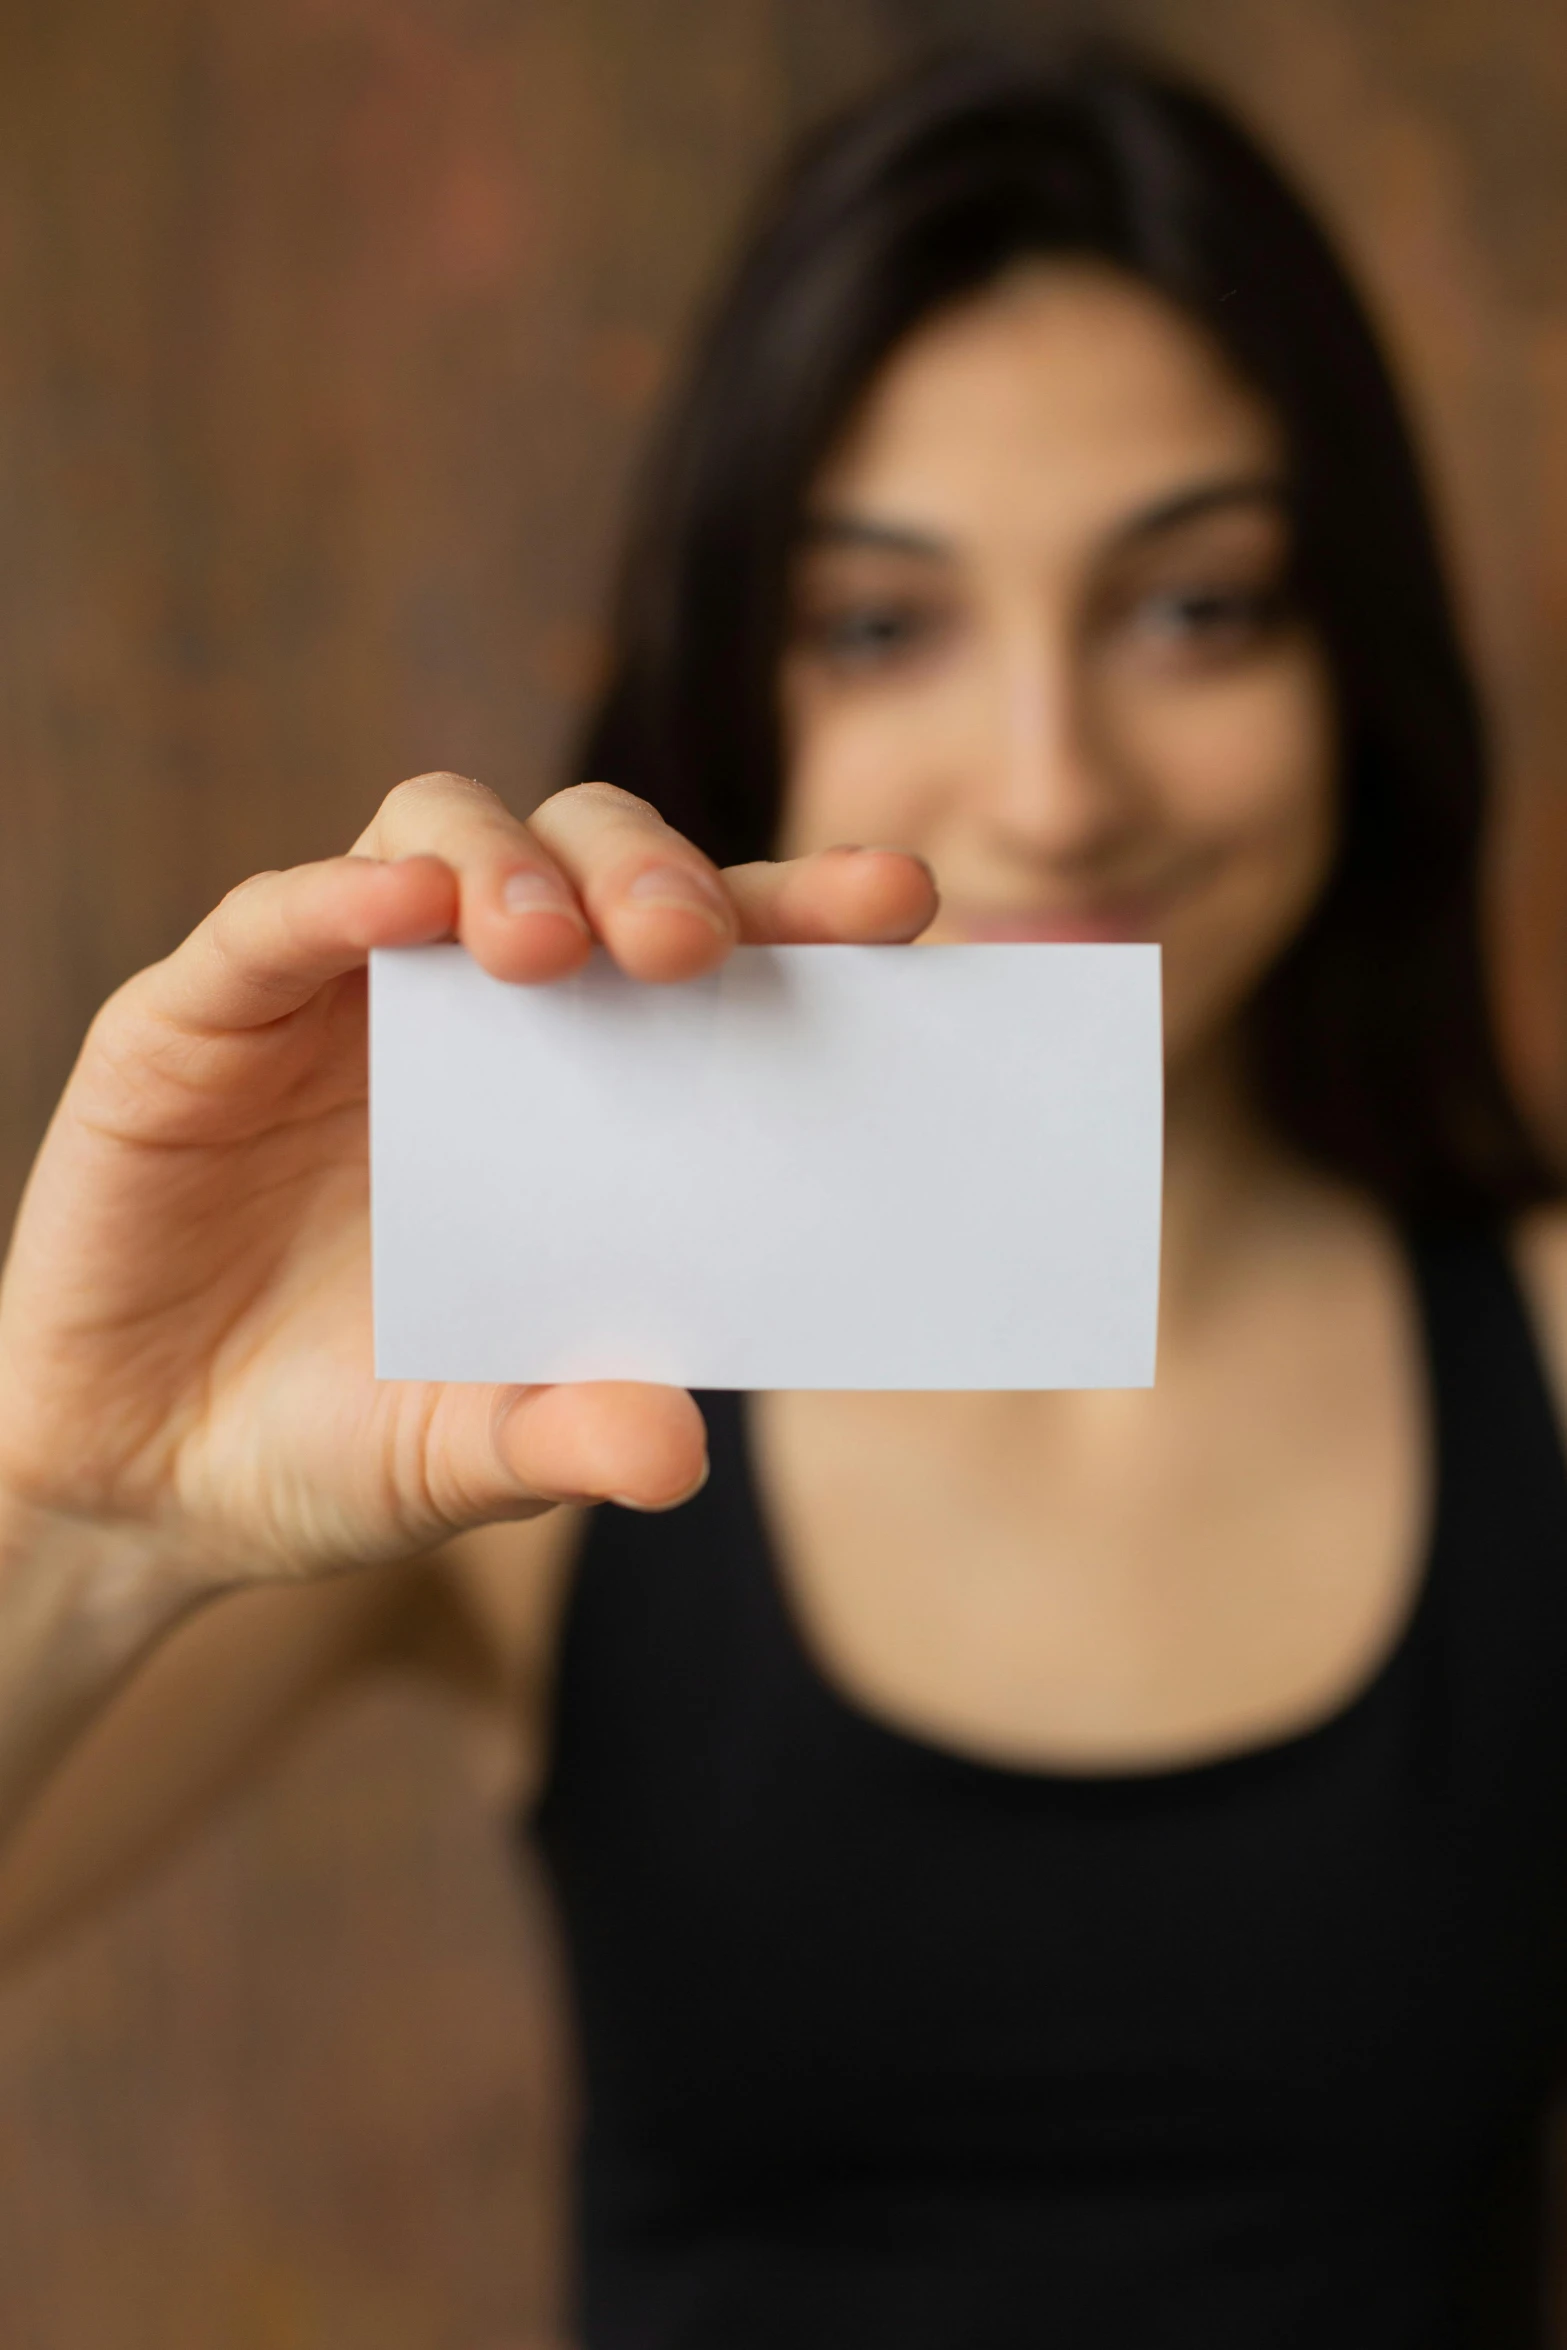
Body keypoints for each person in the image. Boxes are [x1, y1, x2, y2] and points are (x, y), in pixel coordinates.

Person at [0, 38, 1562, 2348]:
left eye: (1197, 606)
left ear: (1362, 666)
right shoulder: (527, 1379)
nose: (1054, 782)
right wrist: (77, 1500)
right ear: (748, 689)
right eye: (883, 621)